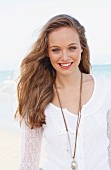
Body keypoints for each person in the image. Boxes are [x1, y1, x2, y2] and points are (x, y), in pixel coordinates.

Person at [15, 14, 111, 170]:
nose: (65, 57)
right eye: (56, 50)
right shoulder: (37, 96)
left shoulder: (106, 89)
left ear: (82, 48)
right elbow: (28, 163)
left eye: (72, 47)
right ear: (47, 52)